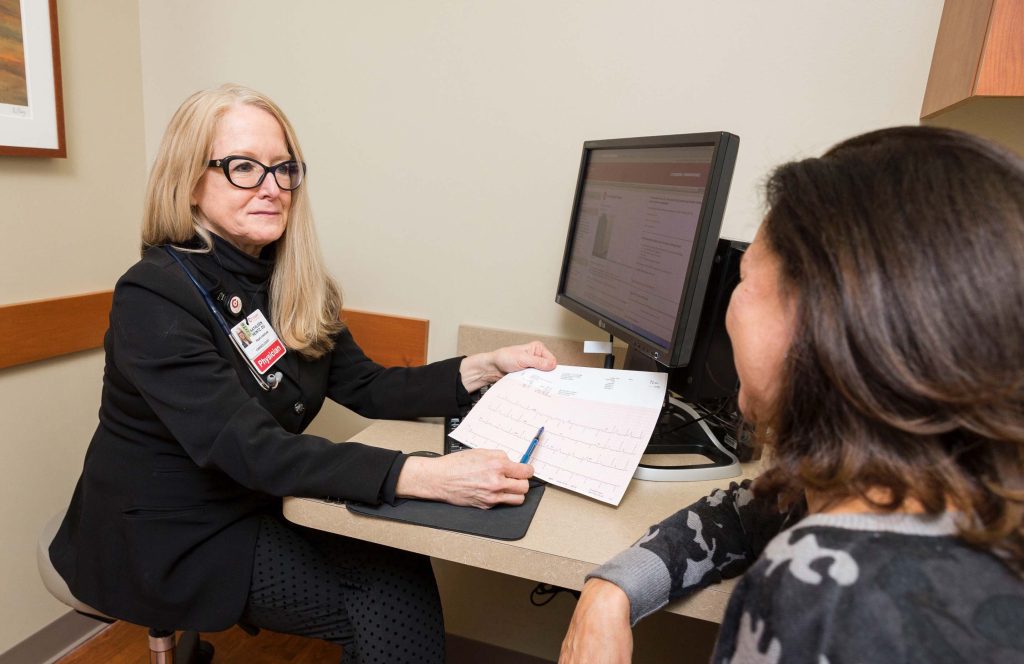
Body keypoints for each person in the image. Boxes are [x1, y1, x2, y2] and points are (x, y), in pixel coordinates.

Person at [48, 83, 557, 664]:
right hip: (169, 533)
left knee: (395, 557)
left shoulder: (289, 282)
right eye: (243, 167)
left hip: (252, 500)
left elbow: (368, 385)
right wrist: (427, 476)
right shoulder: (154, 295)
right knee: (389, 594)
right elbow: (247, 446)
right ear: (190, 182)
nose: (271, 186)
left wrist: (481, 368)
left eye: (283, 168)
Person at [560, 126, 1024, 663]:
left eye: (745, 278)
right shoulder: (952, 495)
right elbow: (751, 509)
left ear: (821, 325)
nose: (731, 306)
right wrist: (612, 589)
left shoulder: (818, 596)